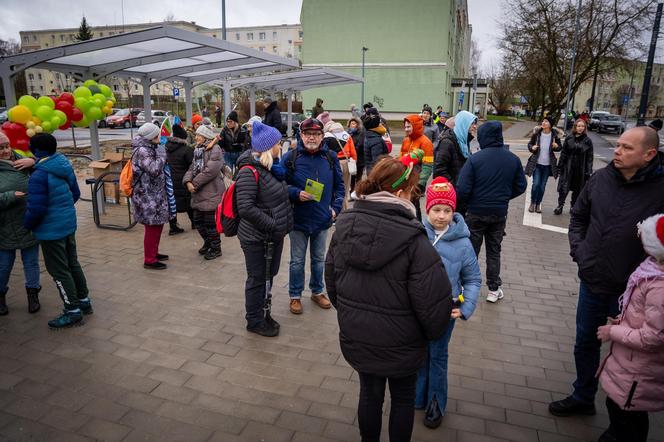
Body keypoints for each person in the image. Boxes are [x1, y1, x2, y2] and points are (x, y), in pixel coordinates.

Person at [325, 156, 453, 442]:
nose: (413, 197)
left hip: (358, 335)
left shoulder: (344, 226)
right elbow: (433, 306)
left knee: (369, 396)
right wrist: (431, 335)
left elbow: (332, 283)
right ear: (398, 194)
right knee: (403, 399)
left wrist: (350, 315)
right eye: (411, 191)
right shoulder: (415, 240)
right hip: (403, 343)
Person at [549, 127, 664, 418]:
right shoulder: (601, 179)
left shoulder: (660, 189)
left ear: (649, 154)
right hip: (593, 280)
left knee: (631, 355)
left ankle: (624, 419)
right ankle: (583, 396)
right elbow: (578, 216)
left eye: (627, 148)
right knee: (585, 341)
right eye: (619, 145)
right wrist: (581, 253)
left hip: (634, 291)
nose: (617, 151)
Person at [416, 176, 481, 429]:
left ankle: (436, 402)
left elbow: (473, 279)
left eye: (447, 210)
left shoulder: (464, 243)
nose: (441, 216)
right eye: (436, 210)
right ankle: (418, 395)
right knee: (420, 353)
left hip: (446, 309)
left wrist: (465, 308)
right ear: (427, 209)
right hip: (418, 308)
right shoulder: (417, 234)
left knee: (438, 356)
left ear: (454, 211)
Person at [595, 213, 664, 442]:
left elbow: (653, 336)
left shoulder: (659, 286)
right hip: (632, 367)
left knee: (627, 419)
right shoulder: (652, 271)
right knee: (620, 411)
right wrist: (624, 322)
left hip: (639, 373)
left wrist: (613, 331)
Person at [23, 134, 91, 328]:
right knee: (72, 263)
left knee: (59, 271)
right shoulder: (63, 164)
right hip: (67, 224)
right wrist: (63, 212)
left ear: (35, 150)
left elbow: (36, 209)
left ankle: (72, 311)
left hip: (50, 231)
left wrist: (27, 225)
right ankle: (83, 301)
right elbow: (75, 193)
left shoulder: (39, 175)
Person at [456, 121, 527, 303]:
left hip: (476, 212)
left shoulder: (475, 159)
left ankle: (465, 287)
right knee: (494, 251)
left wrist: (467, 204)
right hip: (498, 213)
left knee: (471, 250)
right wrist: (503, 197)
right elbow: (521, 186)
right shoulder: (512, 159)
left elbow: (462, 189)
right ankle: (494, 290)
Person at [235, 121, 294, 337]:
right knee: (257, 278)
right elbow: (246, 208)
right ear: (270, 147)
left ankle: (263, 312)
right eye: (279, 143)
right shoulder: (249, 172)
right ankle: (254, 320)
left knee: (269, 275)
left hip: (272, 235)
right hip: (256, 237)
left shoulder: (272, 169)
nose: (281, 146)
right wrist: (273, 224)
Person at [282, 118, 344, 315]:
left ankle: (317, 291)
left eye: (316, 134)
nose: (312, 137)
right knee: (297, 261)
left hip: (322, 219)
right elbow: (280, 185)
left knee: (319, 259)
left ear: (322, 136)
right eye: (308, 134)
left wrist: (335, 209)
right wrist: (295, 193)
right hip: (298, 219)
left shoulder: (331, 157)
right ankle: (295, 295)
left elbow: (340, 187)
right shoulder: (291, 157)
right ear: (301, 135)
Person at [0, 132, 40, 315]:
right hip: (4, 226)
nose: (6, 150)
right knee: (4, 266)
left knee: (31, 263)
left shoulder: (22, 160)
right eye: (0, 148)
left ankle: (33, 295)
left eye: (7, 145)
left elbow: (47, 163)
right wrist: (9, 196)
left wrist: (34, 160)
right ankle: (0, 297)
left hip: (27, 221)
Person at [132, 123, 171, 270]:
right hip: (147, 196)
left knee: (157, 224)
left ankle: (153, 252)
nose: (160, 137)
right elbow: (154, 169)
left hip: (154, 194)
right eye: (157, 134)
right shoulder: (142, 150)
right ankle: (149, 259)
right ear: (151, 137)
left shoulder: (149, 148)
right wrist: (162, 154)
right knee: (152, 227)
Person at [183, 124, 225, 261]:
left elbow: (210, 171)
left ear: (205, 136)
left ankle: (216, 248)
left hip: (211, 192)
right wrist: (187, 181)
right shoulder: (198, 150)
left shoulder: (215, 149)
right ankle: (208, 242)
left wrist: (194, 183)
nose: (196, 137)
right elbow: (192, 167)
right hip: (198, 193)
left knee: (210, 224)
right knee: (198, 221)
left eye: (198, 135)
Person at [555, 119, 593, 215]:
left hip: (581, 169)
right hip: (568, 167)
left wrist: (589, 171)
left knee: (578, 190)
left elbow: (589, 157)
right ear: (575, 127)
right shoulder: (569, 138)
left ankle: (573, 207)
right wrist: (560, 167)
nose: (580, 128)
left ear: (584, 128)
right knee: (564, 188)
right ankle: (560, 205)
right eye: (578, 126)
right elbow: (563, 153)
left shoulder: (587, 141)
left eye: (582, 126)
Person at [400, 114, 434, 221]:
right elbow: (401, 159)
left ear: (416, 126)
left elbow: (428, 166)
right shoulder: (406, 140)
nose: (406, 129)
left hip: (417, 180)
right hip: (405, 179)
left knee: (414, 205)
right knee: (404, 205)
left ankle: (418, 226)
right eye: (405, 127)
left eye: (409, 127)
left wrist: (420, 184)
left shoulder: (426, 142)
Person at [525, 116, 562, 213]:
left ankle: (538, 204)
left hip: (547, 166)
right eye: (543, 121)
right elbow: (529, 144)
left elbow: (559, 148)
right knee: (536, 184)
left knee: (542, 186)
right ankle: (532, 203)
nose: (543, 123)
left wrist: (556, 146)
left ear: (550, 124)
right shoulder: (537, 134)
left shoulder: (554, 136)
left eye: (546, 121)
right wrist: (532, 147)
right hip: (537, 164)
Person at [433, 110, 477, 187]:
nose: (475, 126)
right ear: (463, 124)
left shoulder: (464, 141)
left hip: (462, 189)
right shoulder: (447, 142)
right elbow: (439, 170)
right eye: (472, 123)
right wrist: (455, 185)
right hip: (451, 191)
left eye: (475, 123)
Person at [165, 124, 194, 234]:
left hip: (169, 180)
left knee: (172, 202)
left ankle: (173, 226)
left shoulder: (166, 148)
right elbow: (192, 166)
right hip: (183, 180)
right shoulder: (187, 150)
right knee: (188, 201)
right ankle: (194, 223)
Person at [324, 122, 356, 210]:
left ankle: (334, 209)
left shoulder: (327, 136)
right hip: (346, 162)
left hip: (334, 162)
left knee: (334, 187)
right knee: (345, 188)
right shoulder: (347, 135)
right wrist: (353, 162)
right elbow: (353, 152)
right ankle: (344, 209)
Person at [362, 109, 389, 174]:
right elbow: (377, 161)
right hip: (376, 174)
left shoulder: (369, 134)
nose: (380, 123)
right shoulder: (376, 139)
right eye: (379, 121)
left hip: (370, 171)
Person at [348, 117, 365, 190]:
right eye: (351, 124)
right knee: (352, 177)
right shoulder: (348, 134)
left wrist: (352, 151)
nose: (352, 125)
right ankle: (352, 191)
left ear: (357, 125)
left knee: (358, 177)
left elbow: (360, 145)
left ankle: (358, 191)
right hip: (351, 159)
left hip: (360, 159)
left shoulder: (360, 134)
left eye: (354, 124)